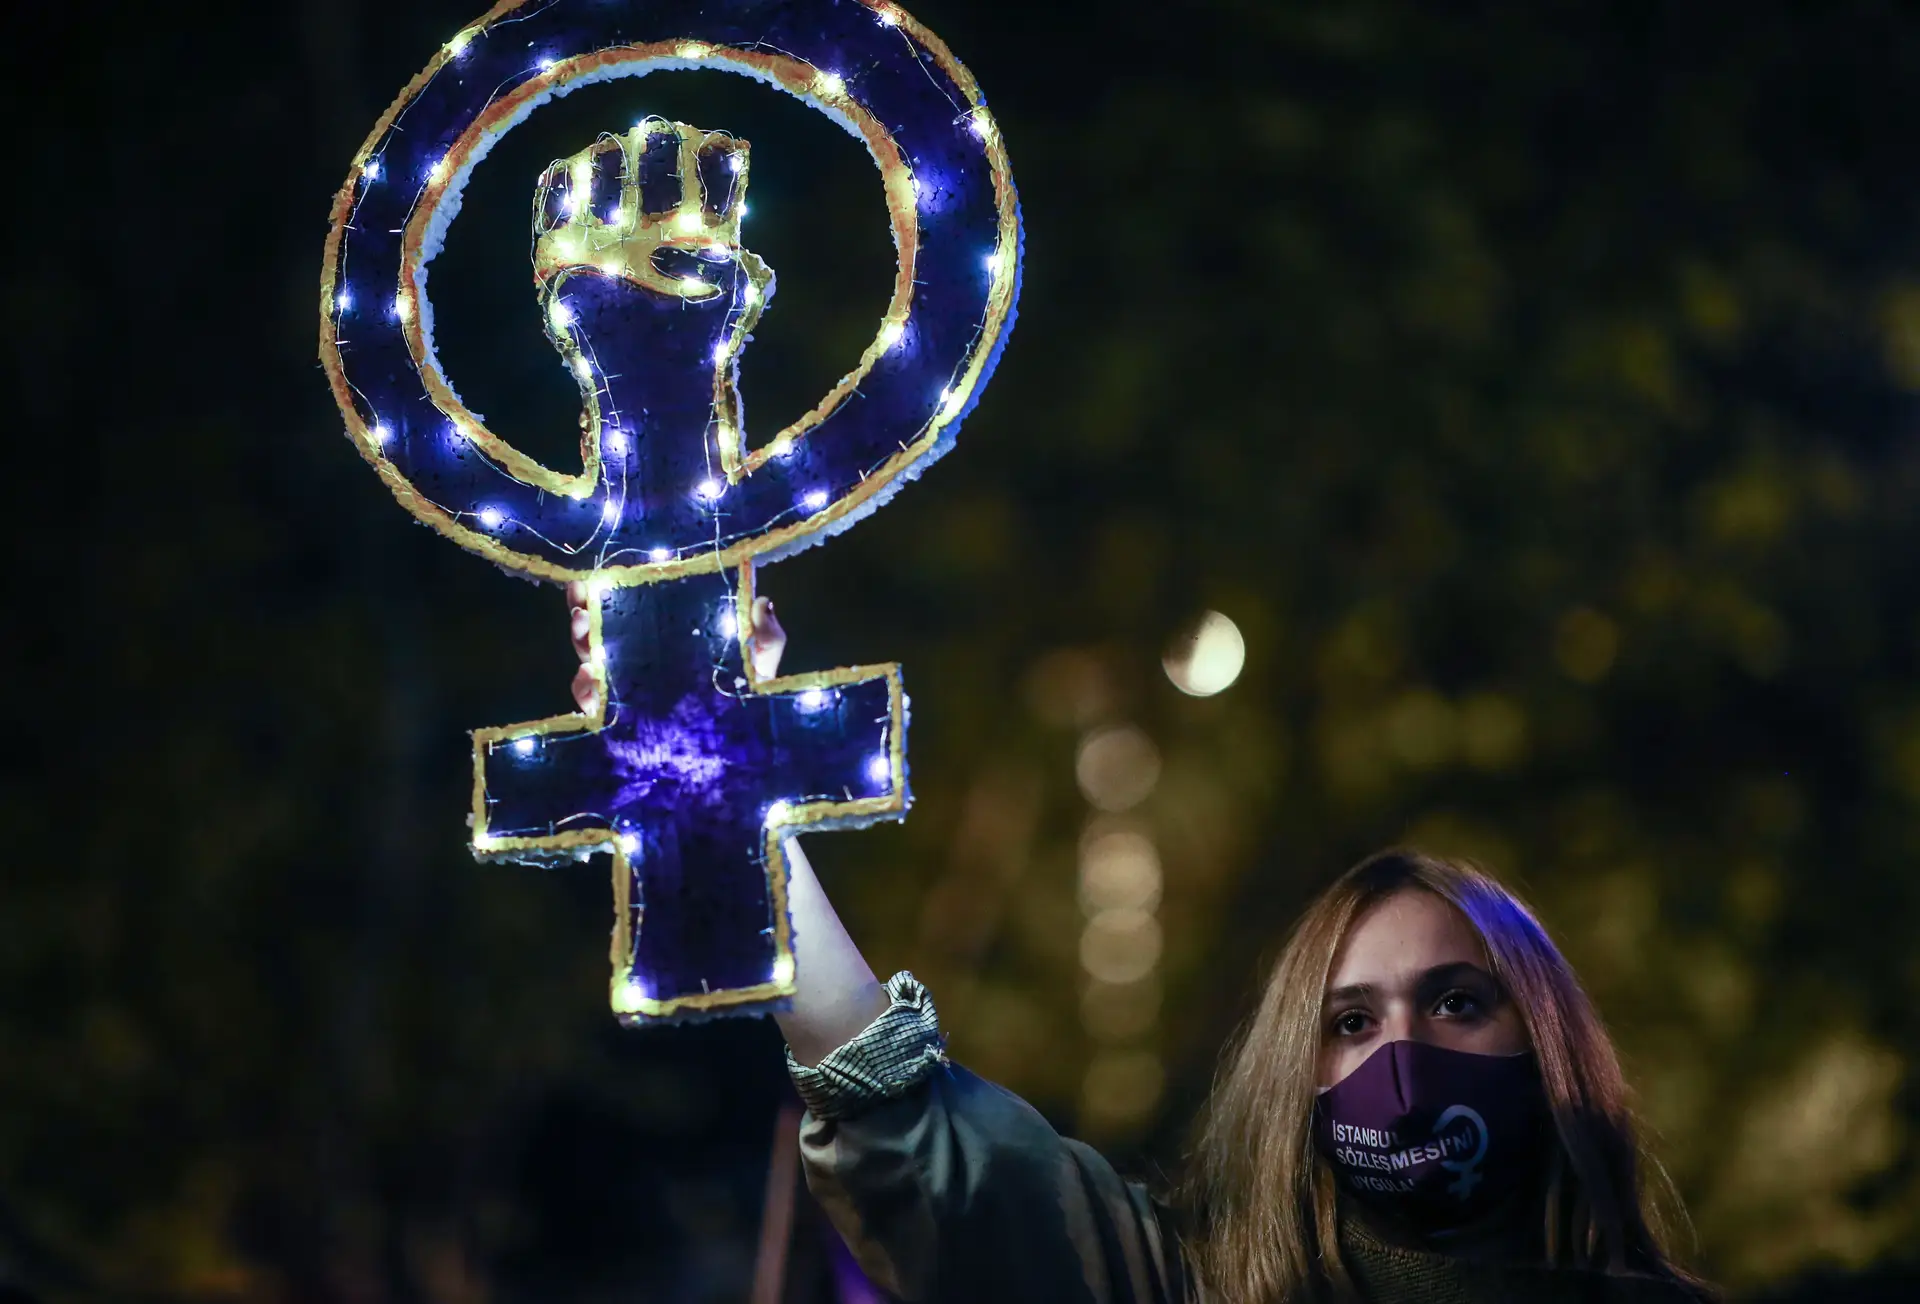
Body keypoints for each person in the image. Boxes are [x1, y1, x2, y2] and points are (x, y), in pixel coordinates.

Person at [565, 587, 1719, 1304]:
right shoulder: (1180, 1289)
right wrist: (720, 770)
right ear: (1295, 1071)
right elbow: (904, 1122)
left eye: (1457, 1000)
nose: (1402, 1055)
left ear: (1549, 1035)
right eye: (1351, 1020)